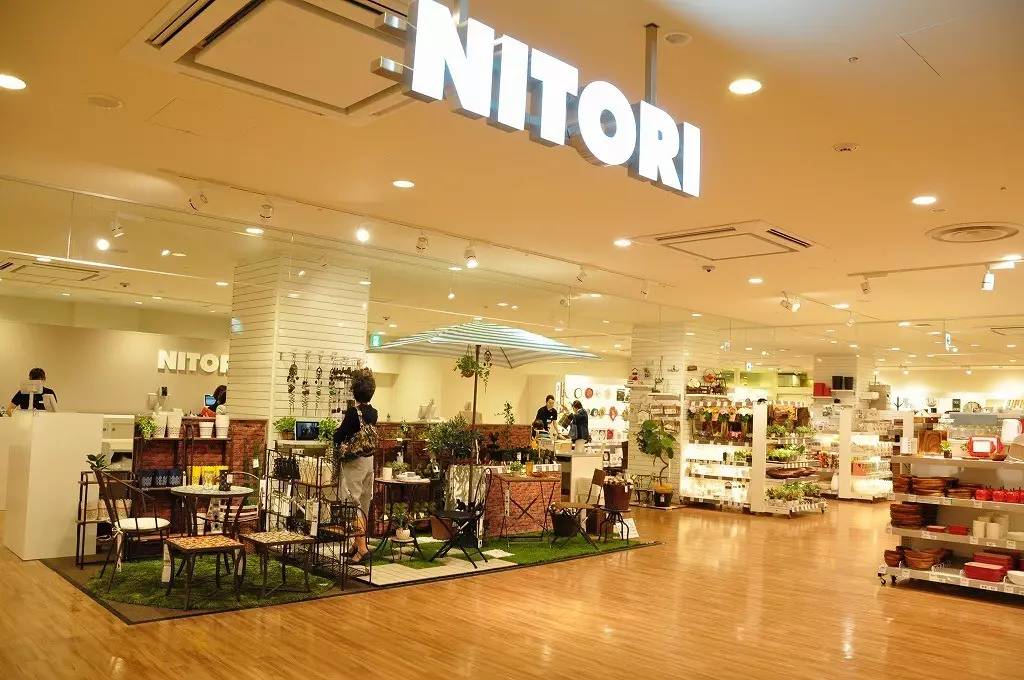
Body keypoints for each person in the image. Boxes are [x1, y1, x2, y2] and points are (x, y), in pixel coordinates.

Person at [333, 368, 378, 564]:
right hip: (369, 461)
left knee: (352, 504)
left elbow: (340, 435)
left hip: (354, 462)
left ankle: (362, 549)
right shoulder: (373, 412)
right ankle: (356, 543)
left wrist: (335, 435)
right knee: (364, 503)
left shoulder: (353, 412)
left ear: (354, 391)